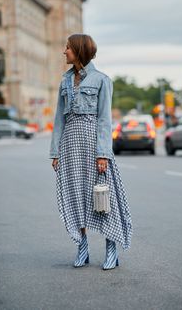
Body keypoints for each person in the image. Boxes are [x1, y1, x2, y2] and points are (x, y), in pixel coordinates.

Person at [50, 34, 133, 270]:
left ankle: (111, 250)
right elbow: (59, 119)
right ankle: (82, 248)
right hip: (70, 145)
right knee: (76, 196)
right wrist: (55, 152)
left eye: (68, 47)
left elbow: (104, 119)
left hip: (94, 146)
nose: (64, 51)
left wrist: (103, 154)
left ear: (79, 51)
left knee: (102, 197)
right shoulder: (64, 82)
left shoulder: (101, 80)